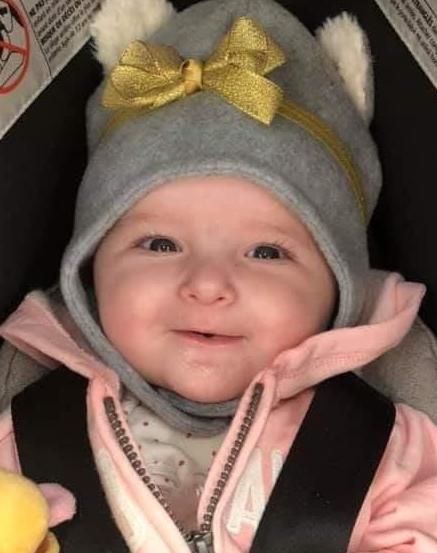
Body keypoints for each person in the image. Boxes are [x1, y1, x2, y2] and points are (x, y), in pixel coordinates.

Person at [1, 0, 437, 551]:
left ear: (339, 287)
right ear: (90, 268)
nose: (207, 284)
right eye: (160, 244)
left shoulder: (380, 448)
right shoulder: (31, 434)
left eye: (266, 252)